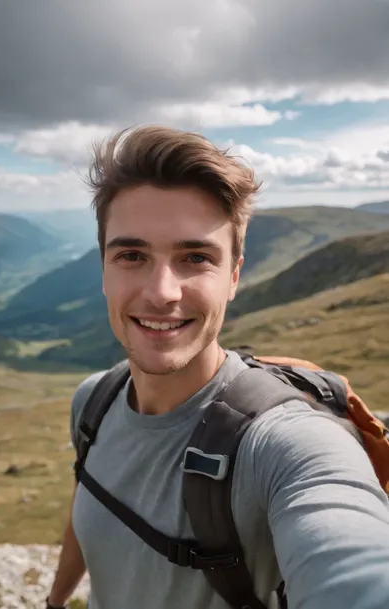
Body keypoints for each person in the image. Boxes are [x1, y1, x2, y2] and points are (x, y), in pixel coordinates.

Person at [46, 125, 389, 609]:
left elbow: (356, 567)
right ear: (103, 267)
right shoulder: (93, 403)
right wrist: (55, 600)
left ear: (233, 277)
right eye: (131, 255)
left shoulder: (282, 443)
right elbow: (92, 499)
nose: (162, 291)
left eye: (195, 257)